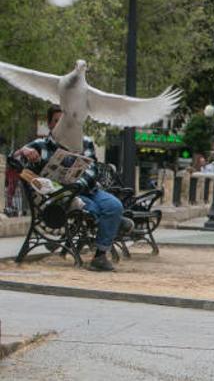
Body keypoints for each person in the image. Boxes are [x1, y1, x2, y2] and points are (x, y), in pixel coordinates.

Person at [13, 105, 128, 272]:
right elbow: (13, 160)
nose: (61, 126)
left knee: (114, 205)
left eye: (65, 122)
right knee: (94, 209)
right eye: (56, 122)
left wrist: (78, 184)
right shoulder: (41, 145)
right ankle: (116, 223)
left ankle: (100, 256)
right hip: (64, 196)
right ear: (50, 124)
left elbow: (92, 169)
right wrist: (23, 150)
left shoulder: (85, 142)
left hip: (89, 190)